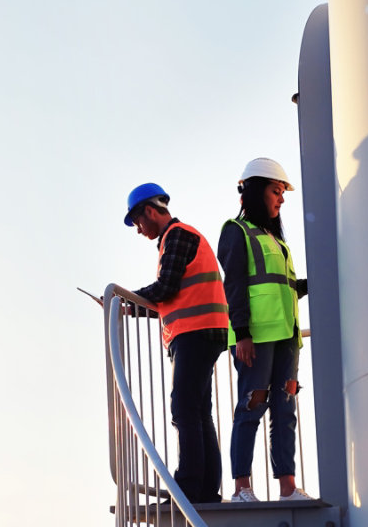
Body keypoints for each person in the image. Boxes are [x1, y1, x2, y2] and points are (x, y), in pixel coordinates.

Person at [125, 182, 230, 505]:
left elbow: (166, 287)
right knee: (198, 411)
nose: (139, 229)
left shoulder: (178, 235)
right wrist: (133, 307)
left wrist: (127, 297)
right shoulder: (177, 239)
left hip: (196, 333)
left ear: (150, 211)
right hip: (201, 331)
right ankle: (206, 491)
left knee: (184, 409)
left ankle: (188, 490)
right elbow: (172, 298)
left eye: (138, 221)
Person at [218, 158, 311, 503]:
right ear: (257, 191)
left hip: (287, 336)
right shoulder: (236, 231)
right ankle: (243, 488)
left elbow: (281, 285)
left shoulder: (275, 238)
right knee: (252, 407)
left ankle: (288, 488)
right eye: (276, 191)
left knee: (284, 409)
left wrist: (310, 283)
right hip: (255, 337)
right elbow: (236, 285)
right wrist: (241, 333)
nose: (281, 199)